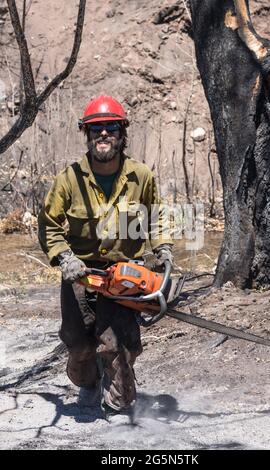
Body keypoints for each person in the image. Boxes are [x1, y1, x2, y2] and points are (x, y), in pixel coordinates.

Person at [38, 95, 173, 419]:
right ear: (86, 132)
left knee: (118, 346)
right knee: (80, 345)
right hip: (80, 275)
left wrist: (163, 249)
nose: (103, 134)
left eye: (110, 127)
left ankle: (117, 406)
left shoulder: (140, 176)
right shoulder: (69, 179)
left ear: (121, 131)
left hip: (123, 274)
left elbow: (157, 217)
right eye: (96, 128)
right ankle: (88, 383)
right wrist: (64, 258)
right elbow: (49, 226)